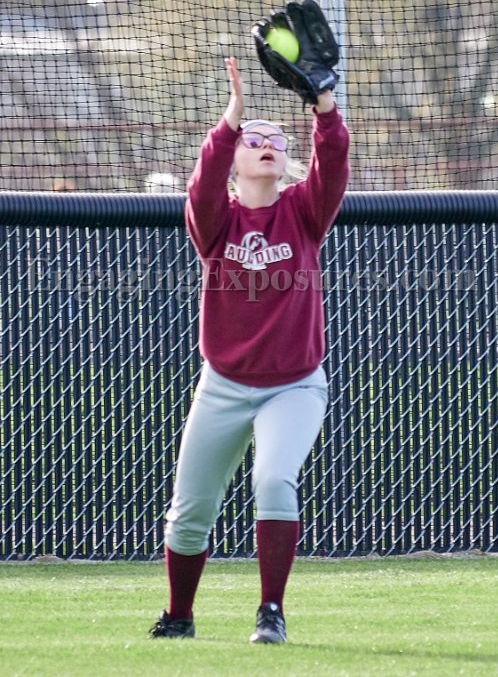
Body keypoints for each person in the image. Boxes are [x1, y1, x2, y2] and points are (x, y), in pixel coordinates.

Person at [149, 56, 350, 644]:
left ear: (287, 161)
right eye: (254, 140)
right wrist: (232, 117)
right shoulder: (216, 222)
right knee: (190, 511)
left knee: (274, 480)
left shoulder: (304, 211)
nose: (267, 146)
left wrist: (324, 104)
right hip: (224, 384)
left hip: (294, 384)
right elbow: (203, 181)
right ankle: (179, 615)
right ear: (236, 159)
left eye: (276, 141)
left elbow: (333, 159)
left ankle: (271, 611)